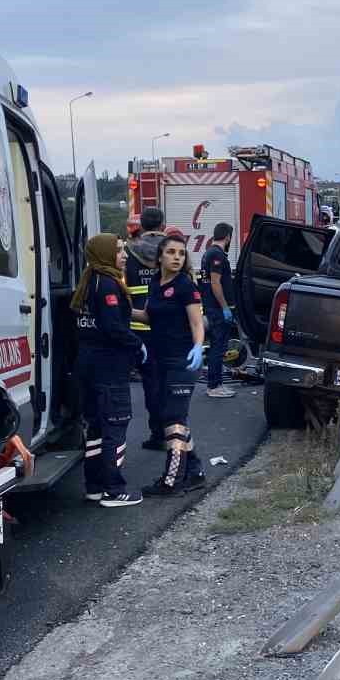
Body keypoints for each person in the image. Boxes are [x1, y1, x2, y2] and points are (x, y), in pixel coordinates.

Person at [71, 233, 143, 508]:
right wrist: (138, 344)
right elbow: (113, 327)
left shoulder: (88, 282)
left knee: (96, 428)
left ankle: (94, 486)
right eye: (119, 250)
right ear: (104, 254)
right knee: (116, 425)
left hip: (87, 365)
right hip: (109, 368)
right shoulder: (109, 284)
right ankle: (114, 490)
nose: (124, 256)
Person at [139, 234, 208, 495]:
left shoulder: (185, 286)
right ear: (160, 257)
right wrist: (121, 310)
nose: (177, 257)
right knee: (167, 416)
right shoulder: (155, 283)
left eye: (181, 253)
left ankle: (172, 480)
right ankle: (195, 472)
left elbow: (197, 323)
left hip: (183, 361)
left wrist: (198, 346)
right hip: (160, 360)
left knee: (174, 418)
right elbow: (148, 316)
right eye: (171, 252)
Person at [125, 207, 168, 449]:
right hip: (169, 326)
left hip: (139, 326)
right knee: (171, 381)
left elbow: (121, 288)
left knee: (151, 382)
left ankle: (158, 434)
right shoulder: (174, 250)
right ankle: (174, 432)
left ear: (141, 225)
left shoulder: (128, 251)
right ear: (162, 225)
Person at [200, 222, 237, 399]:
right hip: (217, 309)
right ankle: (214, 386)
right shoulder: (217, 255)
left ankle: (217, 384)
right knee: (218, 348)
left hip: (212, 307)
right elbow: (215, 283)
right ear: (228, 236)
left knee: (218, 346)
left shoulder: (209, 252)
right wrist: (225, 307)